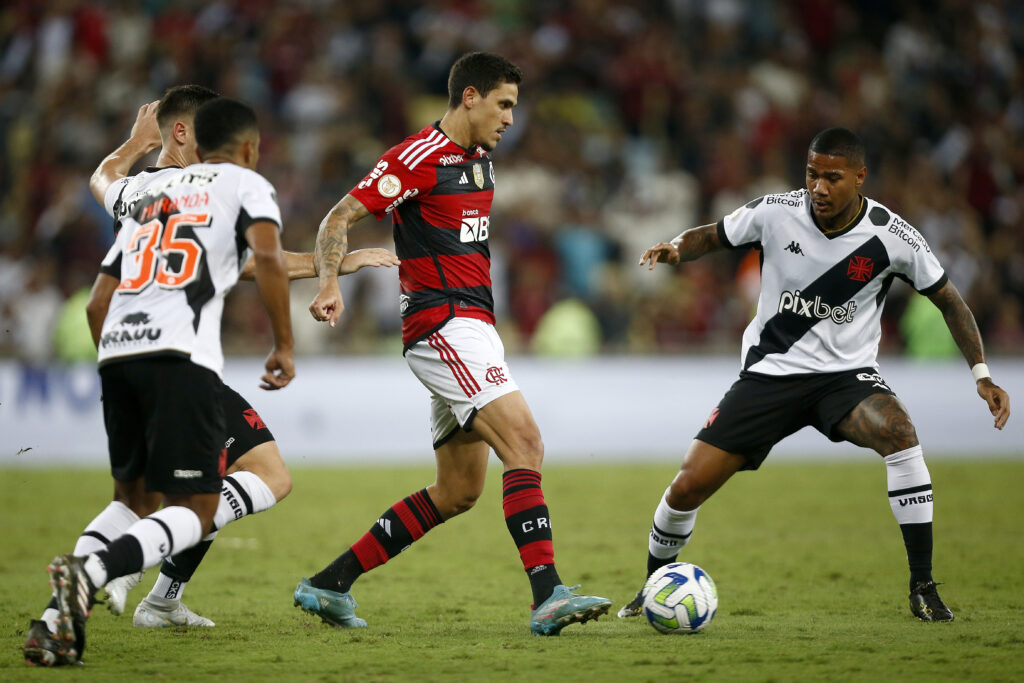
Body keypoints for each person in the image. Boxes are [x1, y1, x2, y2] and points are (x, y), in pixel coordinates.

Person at [618, 127, 1011, 623]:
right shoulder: (776, 212)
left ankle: (923, 587)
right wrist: (676, 248)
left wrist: (982, 375)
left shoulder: (893, 238)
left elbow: (950, 301)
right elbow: (714, 235)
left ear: (860, 178)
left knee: (899, 433)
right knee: (686, 488)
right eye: (812, 175)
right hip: (769, 376)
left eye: (833, 177)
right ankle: (652, 586)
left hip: (844, 380)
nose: (819, 187)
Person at [296, 51, 611, 636]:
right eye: (504, 104)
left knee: (459, 490)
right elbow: (338, 217)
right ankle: (547, 595)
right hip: (442, 326)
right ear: (470, 96)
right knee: (526, 443)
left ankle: (329, 583)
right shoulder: (415, 158)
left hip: (472, 327)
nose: (511, 118)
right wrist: (329, 283)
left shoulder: (483, 161)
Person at [23, 96, 295, 668]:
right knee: (196, 509)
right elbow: (266, 260)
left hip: (119, 355)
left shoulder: (150, 198)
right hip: (180, 359)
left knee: (134, 499)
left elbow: (99, 301)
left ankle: (54, 622)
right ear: (247, 148)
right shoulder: (245, 185)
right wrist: (283, 345)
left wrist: (117, 368)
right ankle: (94, 572)